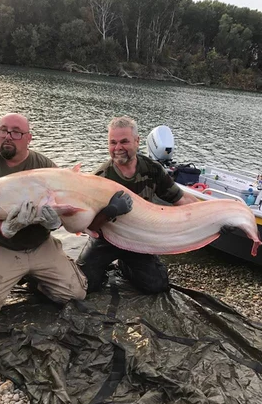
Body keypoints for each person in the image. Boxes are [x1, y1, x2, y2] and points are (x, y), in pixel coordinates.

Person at [0, 113, 132, 318]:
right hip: (0, 246)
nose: (8, 136)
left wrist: (54, 223)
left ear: (28, 138)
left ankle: (37, 279)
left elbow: (68, 212)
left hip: (39, 244)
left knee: (75, 295)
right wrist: (5, 228)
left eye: (16, 132)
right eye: (3, 130)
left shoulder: (45, 165)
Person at [77, 115, 198, 294]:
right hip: (105, 240)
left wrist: (215, 217)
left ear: (137, 141)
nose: (118, 148)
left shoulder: (153, 169)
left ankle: (126, 264)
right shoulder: (99, 177)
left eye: (124, 141)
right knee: (85, 286)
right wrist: (110, 211)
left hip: (138, 240)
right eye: (113, 143)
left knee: (158, 286)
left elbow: (182, 200)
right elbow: (87, 226)